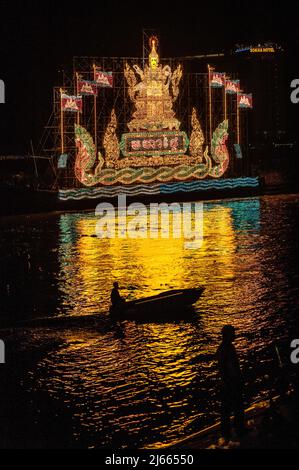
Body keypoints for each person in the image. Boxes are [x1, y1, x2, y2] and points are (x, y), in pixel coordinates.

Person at [216, 325, 245, 439]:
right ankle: (239, 430)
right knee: (237, 406)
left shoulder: (222, 348)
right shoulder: (227, 349)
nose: (234, 335)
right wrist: (237, 381)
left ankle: (226, 431)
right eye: (233, 333)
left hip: (227, 382)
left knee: (226, 409)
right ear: (228, 335)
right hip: (231, 382)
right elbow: (231, 368)